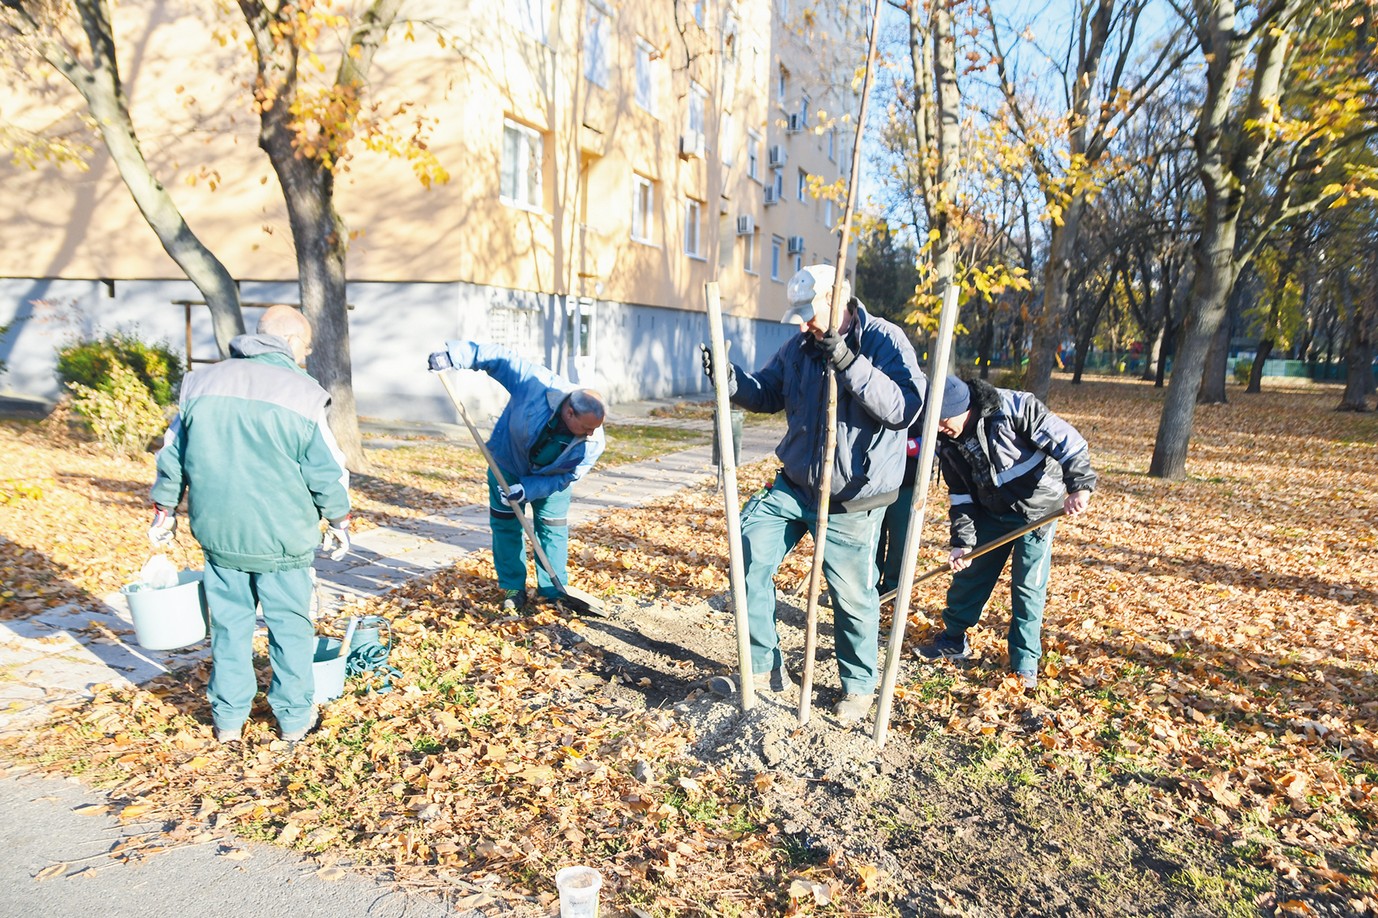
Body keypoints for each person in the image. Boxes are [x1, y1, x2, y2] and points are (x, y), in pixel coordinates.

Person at [702, 264, 925, 723]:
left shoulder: (885, 340)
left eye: (809, 314)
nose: (803, 324)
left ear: (835, 299)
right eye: (798, 315)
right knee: (747, 548)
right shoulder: (800, 347)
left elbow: (903, 407)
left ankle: (859, 686)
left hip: (853, 497)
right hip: (796, 483)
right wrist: (730, 379)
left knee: (852, 596)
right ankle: (763, 668)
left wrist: (848, 361)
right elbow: (768, 391)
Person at [147, 305, 351, 745]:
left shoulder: (202, 383)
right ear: (293, 342)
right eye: (307, 347)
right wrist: (339, 518)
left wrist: (164, 510)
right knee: (290, 630)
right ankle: (295, 722)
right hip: (282, 540)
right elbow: (325, 470)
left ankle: (228, 722)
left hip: (220, 535)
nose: (307, 356)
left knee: (229, 628)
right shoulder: (302, 392)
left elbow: (172, 456)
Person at [916, 375, 1095, 689]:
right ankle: (953, 640)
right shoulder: (946, 441)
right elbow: (960, 494)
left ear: (964, 408)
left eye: (944, 420)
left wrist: (1078, 487)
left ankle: (1025, 665)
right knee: (969, 576)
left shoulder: (1014, 407)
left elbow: (1070, 443)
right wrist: (963, 542)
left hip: (1037, 510)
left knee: (1027, 588)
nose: (940, 428)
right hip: (991, 509)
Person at [427, 341, 606, 610]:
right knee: (506, 525)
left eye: (594, 429)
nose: (591, 434)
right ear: (570, 411)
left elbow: (566, 478)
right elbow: (500, 358)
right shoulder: (535, 384)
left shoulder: (593, 443)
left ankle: (554, 590)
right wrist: (454, 355)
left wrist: (529, 489)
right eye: (586, 427)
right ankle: (513, 587)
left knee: (553, 527)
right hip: (507, 465)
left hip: (552, 481)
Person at [874, 417, 924, 596]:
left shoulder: (921, 399)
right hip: (873, 484)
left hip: (907, 485)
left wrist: (902, 446)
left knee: (902, 540)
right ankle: (869, 588)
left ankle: (893, 590)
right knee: (872, 539)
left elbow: (928, 443)